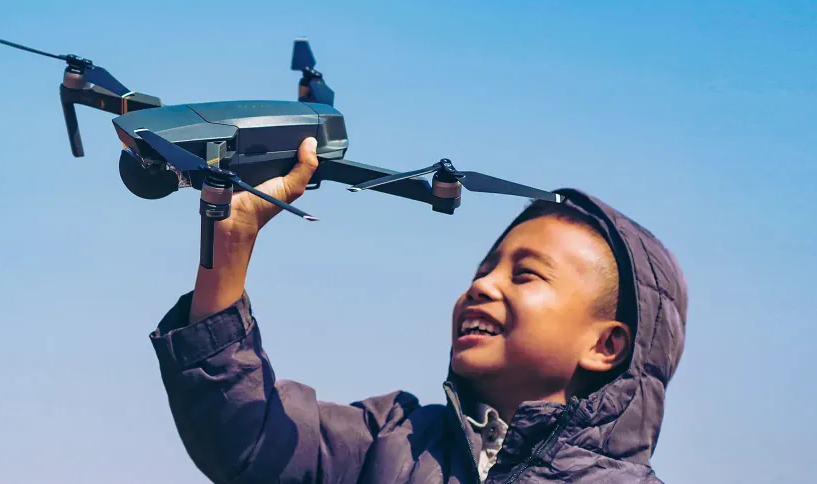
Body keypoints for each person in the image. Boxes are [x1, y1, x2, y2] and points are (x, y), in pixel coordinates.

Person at [149, 137, 688, 483]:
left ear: (605, 345)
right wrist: (229, 246)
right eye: (483, 270)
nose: (483, 287)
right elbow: (251, 439)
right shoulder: (393, 440)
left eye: (525, 274)